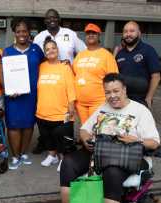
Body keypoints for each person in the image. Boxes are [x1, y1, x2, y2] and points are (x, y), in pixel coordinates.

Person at [48, 73, 160, 203]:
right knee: (68, 163)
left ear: (124, 90)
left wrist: (136, 140)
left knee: (112, 172)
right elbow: (85, 130)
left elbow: (154, 142)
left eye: (116, 91)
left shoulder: (140, 111)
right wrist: (86, 140)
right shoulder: (103, 108)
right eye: (108, 92)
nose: (112, 96)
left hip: (127, 154)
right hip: (100, 151)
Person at [32, 8, 86, 154]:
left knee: (65, 117)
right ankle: (47, 145)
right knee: (47, 114)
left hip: (66, 78)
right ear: (44, 21)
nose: (51, 20)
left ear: (59, 19)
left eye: (54, 17)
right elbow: (34, 57)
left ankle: (66, 148)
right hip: (47, 79)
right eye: (48, 18)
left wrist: (73, 66)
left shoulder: (70, 34)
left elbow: (83, 52)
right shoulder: (39, 37)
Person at [3, 19, 44, 170]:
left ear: (29, 33)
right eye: (19, 31)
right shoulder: (7, 51)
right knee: (13, 125)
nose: (22, 34)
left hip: (31, 95)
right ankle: (15, 156)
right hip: (13, 96)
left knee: (28, 124)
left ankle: (23, 153)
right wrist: (8, 89)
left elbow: (46, 65)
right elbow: (3, 73)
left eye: (24, 31)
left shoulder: (36, 49)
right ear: (14, 33)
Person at [36, 37, 76, 171]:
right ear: (44, 52)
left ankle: (63, 158)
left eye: (53, 48)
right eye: (47, 49)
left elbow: (71, 87)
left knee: (62, 137)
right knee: (46, 135)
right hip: (43, 110)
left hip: (61, 111)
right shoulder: (41, 67)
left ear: (58, 50)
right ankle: (52, 155)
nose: (51, 51)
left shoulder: (65, 67)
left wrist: (71, 104)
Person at [73, 23, 119, 124]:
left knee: (96, 131)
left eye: (94, 33)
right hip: (80, 103)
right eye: (88, 33)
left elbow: (114, 79)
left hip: (99, 102)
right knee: (85, 129)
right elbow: (74, 74)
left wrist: (113, 99)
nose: (91, 35)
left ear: (99, 36)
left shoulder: (107, 55)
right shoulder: (80, 55)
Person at [116, 21, 161, 108]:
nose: (128, 34)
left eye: (132, 31)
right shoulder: (120, 54)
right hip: (122, 100)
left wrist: (149, 97)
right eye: (125, 31)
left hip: (141, 101)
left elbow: (156, 77)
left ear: (139, 33)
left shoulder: (148, 50)